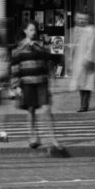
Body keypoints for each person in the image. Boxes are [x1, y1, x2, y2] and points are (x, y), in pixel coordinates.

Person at [10, 21, 66, 156]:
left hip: (41, 82)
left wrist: (52, 78)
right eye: (30, 30)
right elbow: (14, 68)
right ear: (25, 31)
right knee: (31, 110)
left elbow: (48, 62)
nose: (33, 32)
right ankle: (33, 136)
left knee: (47, 109)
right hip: (26, 83)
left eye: (34, 30)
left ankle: (53, 138)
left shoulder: (42, 46)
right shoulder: (18, 48)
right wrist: (15, 86)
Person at [67, 9, 95, 112]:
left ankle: (84, 105)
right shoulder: (75, 30)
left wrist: (87, 58)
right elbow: (72, 46)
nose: (81, 21)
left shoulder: (91, 30)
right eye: (79, 19)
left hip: (87, 60)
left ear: (87, 19)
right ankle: (82, 104)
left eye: (83, 19)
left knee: (87, 84)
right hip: (77, 60)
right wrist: (70, 60)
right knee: (81, 83)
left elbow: (92, 46)